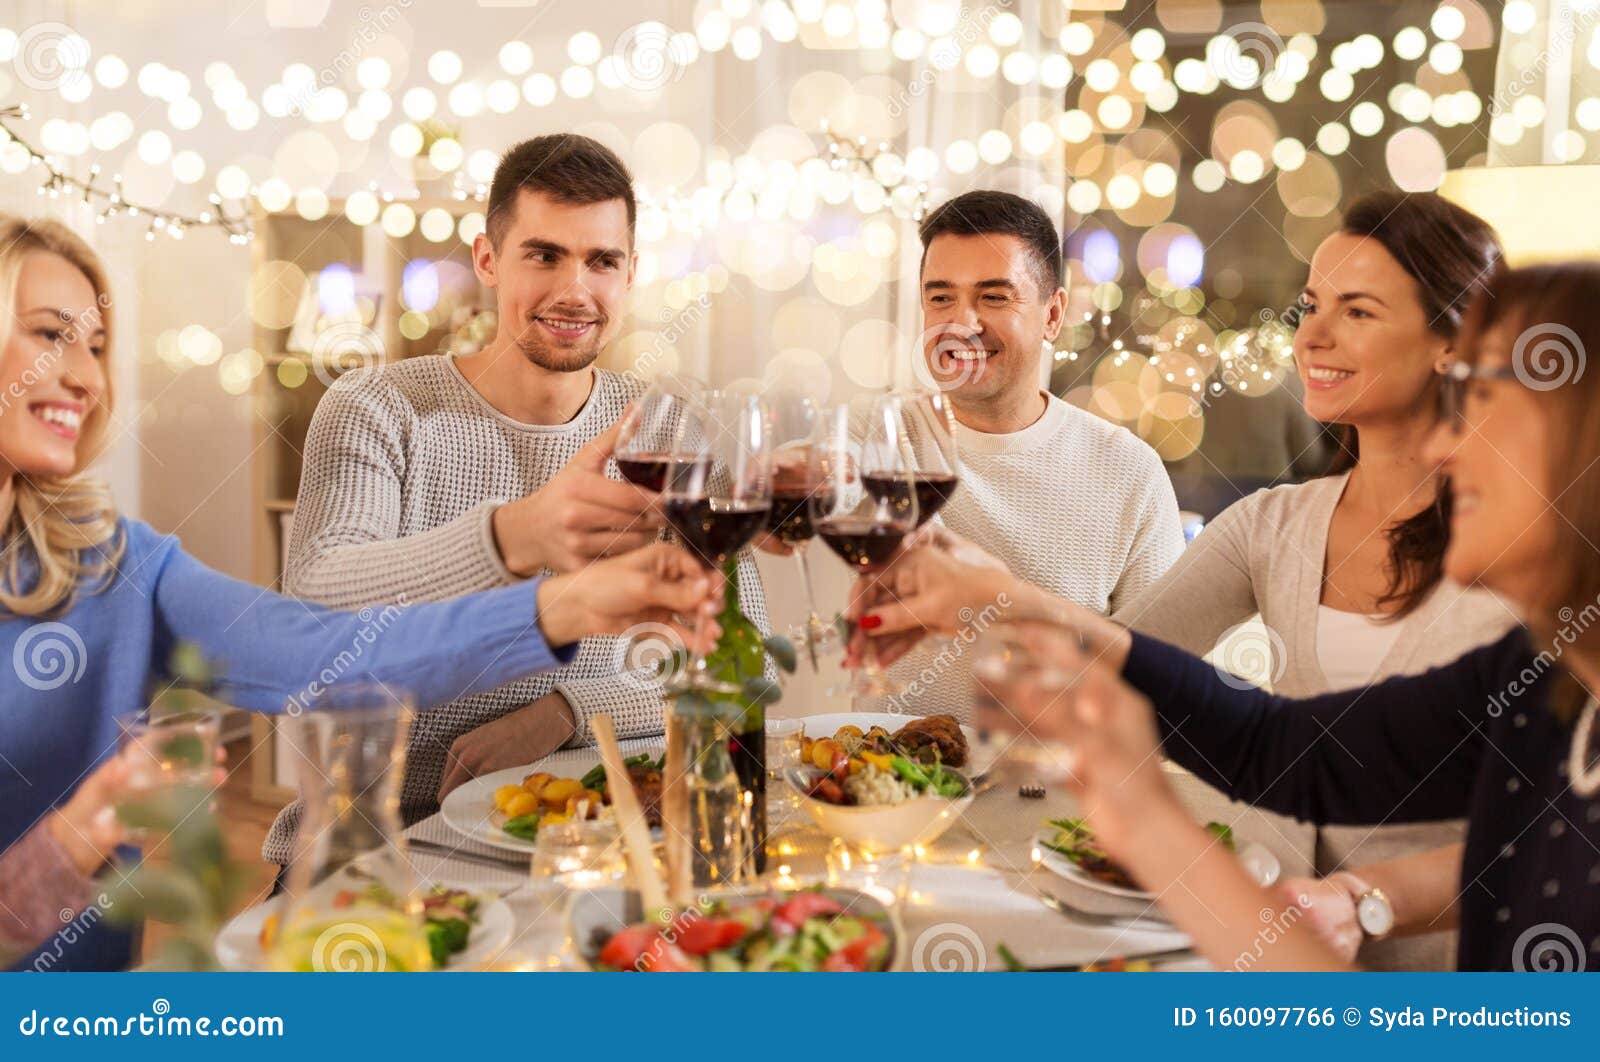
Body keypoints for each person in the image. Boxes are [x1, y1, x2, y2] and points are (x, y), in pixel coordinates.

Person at [0, 215, 724, 970]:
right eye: (50, 335)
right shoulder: (379, 406)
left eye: (94, 346)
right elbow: (331, 588)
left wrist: (558, 608)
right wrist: (74, 837)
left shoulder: (116, 565)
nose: (85, 376)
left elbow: (333, 658)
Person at [856, 263, 1600, 972]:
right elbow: (1285, 748)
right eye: (1312, 305)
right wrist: (1010, 604)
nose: (1446, 443)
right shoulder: (1543, 685)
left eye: (1484, 403)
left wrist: (1147, 821)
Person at [266, 133, 770, 867]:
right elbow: (319, 602)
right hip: (386, 844)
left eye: (602, 260)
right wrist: (512, 536)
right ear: (488, 260)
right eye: (544, 255)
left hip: (597, 837)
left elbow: (743, 668)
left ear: (631, 274)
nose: (575, 290)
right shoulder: (380, 407)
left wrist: (567, 713)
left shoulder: (666, 430)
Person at [1107, 191, 1518, 970]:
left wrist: (1365, 900)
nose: (1312, 337)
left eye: (1357, 311)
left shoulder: (1534, 552)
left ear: (1450, 340)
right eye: (1310, 306)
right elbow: (1122, 665)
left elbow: (1556, 831)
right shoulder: (1275, 524)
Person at [790, 190, 1183, 720]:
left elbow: (1162, 680)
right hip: (897, 783)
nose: (961, 323)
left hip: (1056, 787)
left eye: (994, 298)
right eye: (941, 298)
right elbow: (797, 485)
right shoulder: (878, 432)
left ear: (1052, 314)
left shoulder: (1128, 470)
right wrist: (789, 477)